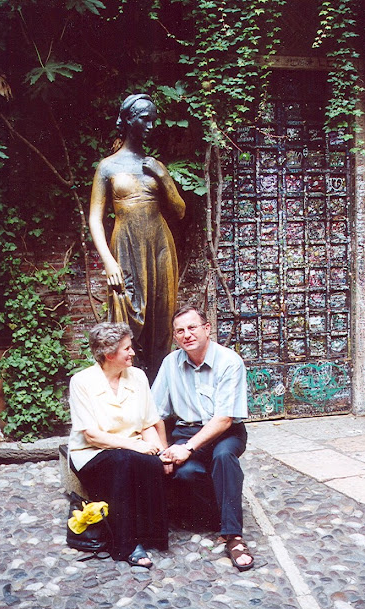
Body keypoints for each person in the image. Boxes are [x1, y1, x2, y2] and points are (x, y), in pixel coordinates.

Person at [89, 93, 185, 382]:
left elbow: (179, 210)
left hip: (159, 245)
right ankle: (126, 384)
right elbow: (95, 219)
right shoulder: (107, 167)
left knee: (162, 317)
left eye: (153, 119)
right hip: (125, 245)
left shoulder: (155, 165)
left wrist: (164, 177)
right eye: (145, 119)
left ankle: (159, 388)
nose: (150, 125)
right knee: (127, 315)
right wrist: (109, 262)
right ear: (128, 120)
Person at [151, 305, 255, 571]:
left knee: (223, 457)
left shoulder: (229, 361)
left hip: (224, 432)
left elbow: (224, 419)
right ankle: (217, 512)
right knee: (186, 474)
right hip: (186, 430)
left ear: (207, 329)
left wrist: (187, 448)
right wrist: (163, 451)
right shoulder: (170, 364)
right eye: (180, 331)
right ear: (175, 337)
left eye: (192, 327)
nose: (186, 335)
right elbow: (155, 413)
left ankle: (233, 537)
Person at [68, 322, 171, 568]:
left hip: (131, 449)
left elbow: (148, 423)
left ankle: (152, 535)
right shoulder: (82, 382)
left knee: (149, 462)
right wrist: (135, 447)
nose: (132, 352)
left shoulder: (137, 377)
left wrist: (161, 453)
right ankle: (125, 545)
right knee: (123, 460)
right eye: (127, 348)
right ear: (109, 354)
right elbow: (92, 435)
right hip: (92, 453)